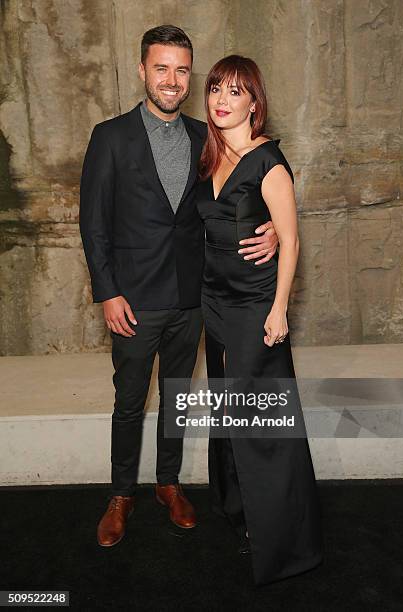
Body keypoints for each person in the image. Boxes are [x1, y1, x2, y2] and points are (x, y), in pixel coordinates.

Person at [79, 25, 278, 547]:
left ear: (191, 76)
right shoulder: (110, 136)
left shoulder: (204, 136)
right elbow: (93, 223)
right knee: (128, 400)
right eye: (161, 67)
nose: (172, 79)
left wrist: (274, 225)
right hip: (133, 300)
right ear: (143, 70)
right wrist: (108, 291)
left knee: (176, 397)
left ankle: (168, 484)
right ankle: (121, 493)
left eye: (182, 69)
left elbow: (241, 195)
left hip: (193, 298)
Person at [196, 55, 323, 585]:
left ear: (255, 101)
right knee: (230, 414)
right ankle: (241, 513)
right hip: (215, 302)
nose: (222, 99)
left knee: (263, 423)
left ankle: (288, 545)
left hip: (254, 307)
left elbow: (290, 240)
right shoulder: (212, 156)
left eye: (235, 91)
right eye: (215, 89)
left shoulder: (268, 163)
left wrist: (278, 309)